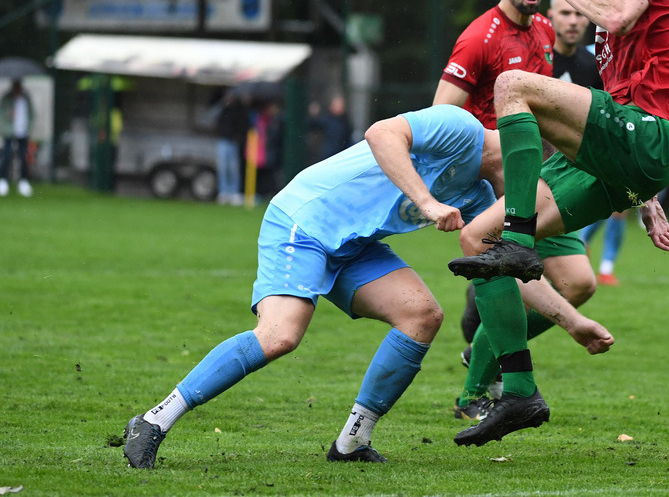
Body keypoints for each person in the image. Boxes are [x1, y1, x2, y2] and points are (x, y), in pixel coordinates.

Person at [121, 104, 613, 469]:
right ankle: (154, 420)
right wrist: (425, 200)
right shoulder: (461, 129)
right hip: (305, 220)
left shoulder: (482, 195)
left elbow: (502, 272)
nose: (521, 196)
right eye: (526, 181)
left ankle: (351, 443)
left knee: (422, 315)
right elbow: (381, 133)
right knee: (279, 337)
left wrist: (573, 323)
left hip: (354, 246)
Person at [447, 0, 669, 446]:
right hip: (631, 157)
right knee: (476, 242)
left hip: (655, 139)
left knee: (513, 84)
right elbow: (612, 115)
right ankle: (517, 392)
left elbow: (622, 16)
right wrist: (647, 197)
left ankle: (519, 238)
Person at [433, 0, 598, 418]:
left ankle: (484, 353)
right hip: (497, 185)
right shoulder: (479, 38)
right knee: (510, 278)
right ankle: (474, 394)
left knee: (580, 284)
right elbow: (440, 116)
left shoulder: (543, 30)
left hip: (536, 179)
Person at [548, 0, 627, 286]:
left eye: (579, 14)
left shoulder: (594, 66)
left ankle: (605, 267)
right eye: (565, 13)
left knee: (620, 207)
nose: (572, 21)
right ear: (550, 16)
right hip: (535, 170)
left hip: (578, 166)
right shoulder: (536, 59)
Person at [0, 78, 34, 197]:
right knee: (6, 157)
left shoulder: (26, 98)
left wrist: (29, 127)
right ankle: (3, 181)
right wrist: (9, 114)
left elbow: (32, 114)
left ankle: (24, 182)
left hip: (23, 132)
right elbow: (2, 112)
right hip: (10, 132)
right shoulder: (7, 98)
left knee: (23, 158)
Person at [215, 92, 250, 205]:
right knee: (223, 167)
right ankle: (223, 192)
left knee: (233, 168)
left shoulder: (238, 110)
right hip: (223, 141)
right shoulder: (222, 110)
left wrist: (237, 137)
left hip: (232, 142)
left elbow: (242, 125)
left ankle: (233, 192)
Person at [308, 94, 353, 162]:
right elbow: (313, 125)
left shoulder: (345, 121)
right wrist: (313, 114)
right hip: (328, 154)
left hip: (340, 154)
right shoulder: (327, 119)